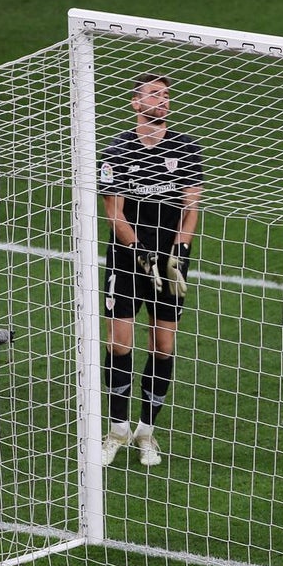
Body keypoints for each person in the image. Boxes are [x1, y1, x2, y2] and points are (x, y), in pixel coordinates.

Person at [98, 73, 203, 467]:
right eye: (154, 95)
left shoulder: (187, 149)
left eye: (166, 96)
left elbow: (191, 209)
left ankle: (146, 431)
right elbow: (114, 212)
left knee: (163, 345)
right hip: (127, 258)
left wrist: (180, 248)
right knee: (119, 343)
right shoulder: (116, 152)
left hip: (171, 262)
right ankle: (116, 429)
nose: (163, 101)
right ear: (136, 104)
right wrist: (140, 251)